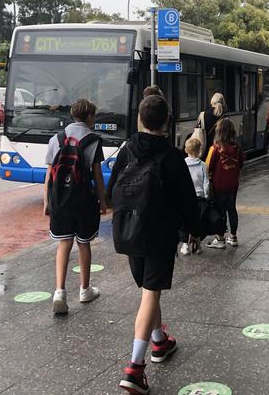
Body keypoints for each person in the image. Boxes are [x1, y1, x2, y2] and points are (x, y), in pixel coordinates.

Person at [108, 95, 199, 395]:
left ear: (140, 120)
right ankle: (135, 368)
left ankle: (159, 341)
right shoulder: (172, 156)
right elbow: (187, 201)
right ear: (166, 122)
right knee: (150, 293)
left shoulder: (126, 150)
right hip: (158, 233)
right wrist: (194, 230)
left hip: (128, 232)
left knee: (149, 289)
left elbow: (111, 191)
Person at [43, 99, 105, 315]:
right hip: (83, 200)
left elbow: (49, 174)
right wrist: (103, 201)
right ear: (88, 116)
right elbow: (97, 175)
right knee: (84, 243)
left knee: (63, 243)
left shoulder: (56, 139)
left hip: (59, 199)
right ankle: (84, 289)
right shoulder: (93, 140)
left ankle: (59, 291)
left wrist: (47, 202)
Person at [206, 118, 244, 249]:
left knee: (220, 210)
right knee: (232, 209)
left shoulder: (215, 148)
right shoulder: (237, 147)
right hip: (233, 184)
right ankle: (233, 237)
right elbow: (241, 164)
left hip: (219, 185)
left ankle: (220, 238)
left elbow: (207, 166)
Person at [180, 137, 209, 256]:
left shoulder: (182, 164)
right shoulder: (203, 165)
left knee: (184, 221)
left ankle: (185, 245)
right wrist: (206, 196)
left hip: (185, 197)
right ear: (199, 151)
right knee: (197, 221)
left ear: (186, 150)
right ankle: (198, 245)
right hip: (199, 197)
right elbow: (206, 182)